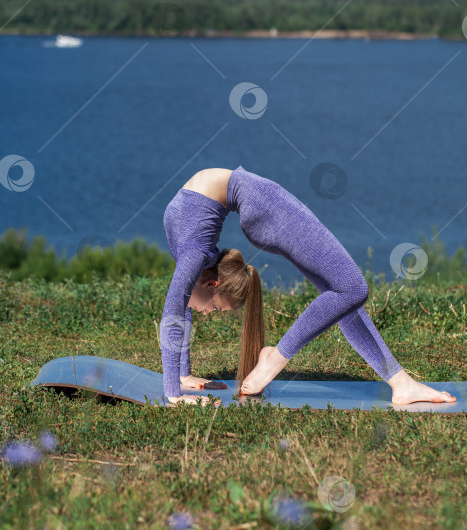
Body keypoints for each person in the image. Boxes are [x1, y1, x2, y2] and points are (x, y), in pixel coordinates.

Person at [160, 166, 456, 407]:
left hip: (263, 205)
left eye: (212, 308)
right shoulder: (197, 258)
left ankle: (275, 358)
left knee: (350, 289)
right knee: (345, 291)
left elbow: (174, 312)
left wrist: (173, 394)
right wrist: (182, 376)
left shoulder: (195, 255)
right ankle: (401, 384)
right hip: (257, 202)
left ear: (213, 283)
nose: (206, 313)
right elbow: (181, 303)